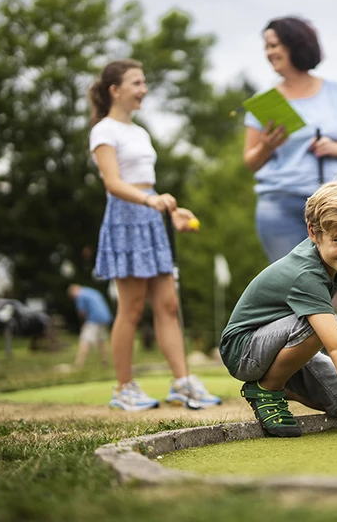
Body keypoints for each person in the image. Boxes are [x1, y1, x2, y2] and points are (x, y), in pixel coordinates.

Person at [241, 16, 337, 384]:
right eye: (266, 46)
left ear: (295, 44)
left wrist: (336, 146)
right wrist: (267, 146)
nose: (269, 52)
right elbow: (250, 161)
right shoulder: (265, 102)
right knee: (297, 293)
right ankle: (313, 378)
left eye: (274, 44)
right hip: (279, 205)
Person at [219, 178, 337, 441]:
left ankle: (286, 384)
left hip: (284, 342)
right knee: (322, 325)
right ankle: (268, 388)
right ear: (314, 233)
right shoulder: (307, 274)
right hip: (244, 350)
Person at [88, 59, 220, 411]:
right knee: (131, 308)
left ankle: (182, 384)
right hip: (126, 218)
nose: (143, 89)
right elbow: (113, 184)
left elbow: (147, 184)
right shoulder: (104, 131)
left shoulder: (140, 132)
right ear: (115, 90)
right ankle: (123, 388)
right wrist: (150, 201)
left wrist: (172, 213)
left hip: (151, 217)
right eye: (136, 83)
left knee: (168, 304)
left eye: (144, 82)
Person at [68, 284, 112, 368]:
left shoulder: (80, 295)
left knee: (85, 339)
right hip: (105, 317)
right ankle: (105, 361)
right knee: (102, 340)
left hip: (93, 318)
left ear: (74, 291)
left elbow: (81, 312)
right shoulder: (93, 292)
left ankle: (78, 364)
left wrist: (82, 323)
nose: (74, 298)